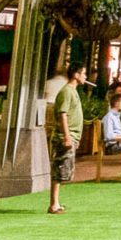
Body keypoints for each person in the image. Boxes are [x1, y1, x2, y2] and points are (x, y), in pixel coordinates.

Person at [44, 63, 87, 214]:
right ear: (76, 74)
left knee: (64, 170)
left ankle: (56, 202)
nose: (85, 77)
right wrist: (67, 136)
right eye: (83, 73)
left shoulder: (72, 92)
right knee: (60, 168)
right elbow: (62, 114)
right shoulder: (66, 92)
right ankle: (53, 203)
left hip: (72, 135)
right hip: (65, 136)